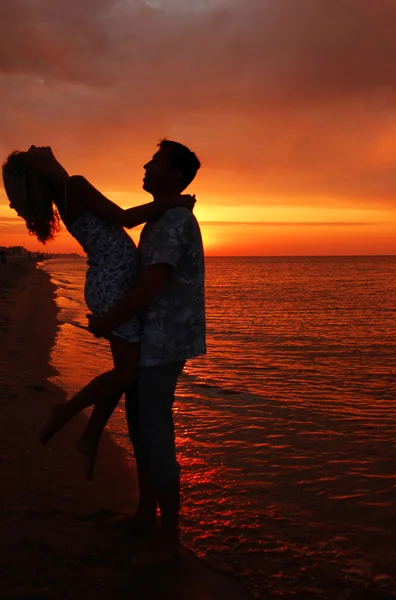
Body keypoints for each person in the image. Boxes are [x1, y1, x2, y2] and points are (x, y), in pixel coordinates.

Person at [2, 146, 195, 482]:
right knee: (126, 373)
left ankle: (90, 437)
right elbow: (124, 218)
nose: (36, 146)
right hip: (113, 283)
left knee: (124, 371)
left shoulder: (65, 190)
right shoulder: (73, 185)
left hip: (109, 281)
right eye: (31, 152)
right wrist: (173, 203)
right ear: (36, 167)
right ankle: (67, 412)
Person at [87, 139, 206, 562]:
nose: (145, 164)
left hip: (162, 342)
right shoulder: (163, 216)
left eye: (154, 160)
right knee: (140, 427)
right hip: (149, 340)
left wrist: (108, 320)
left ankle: (168, 536)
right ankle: (144, 515)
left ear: (173, 173)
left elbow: (150, 284)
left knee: (155, 434)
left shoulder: (173, 220)